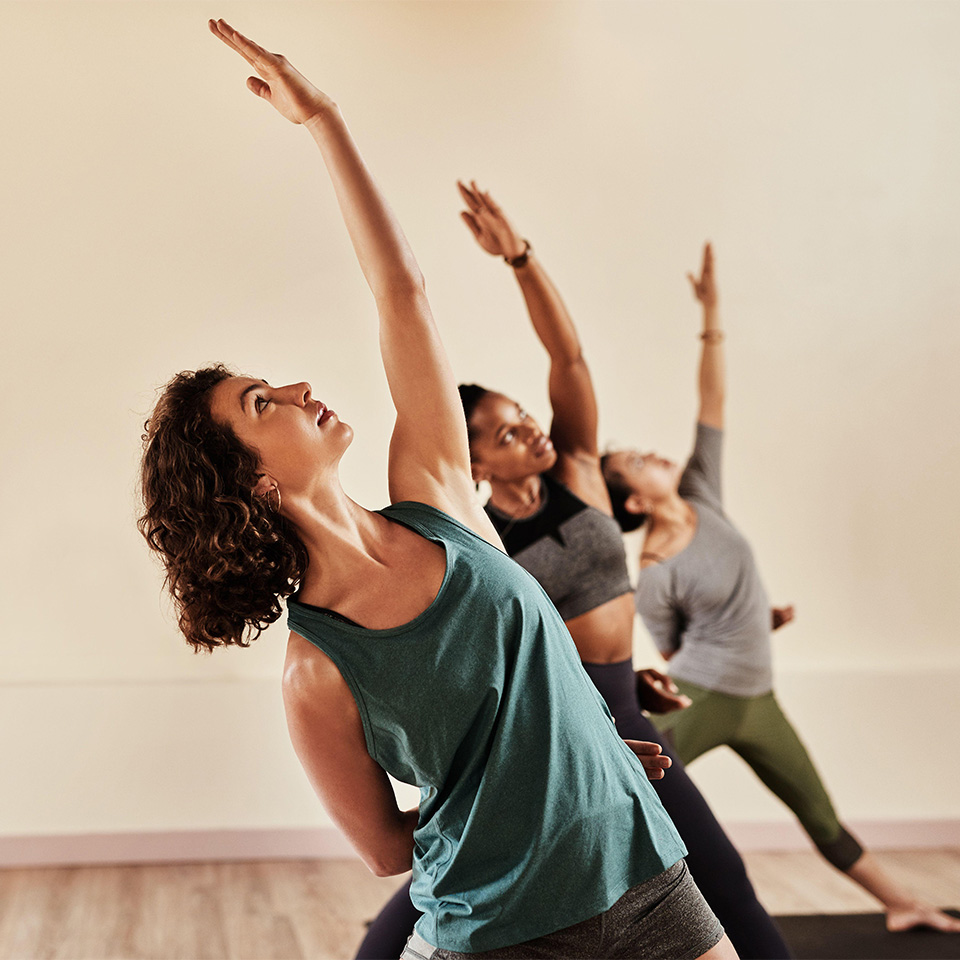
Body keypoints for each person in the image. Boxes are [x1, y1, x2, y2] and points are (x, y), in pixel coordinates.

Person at [139, 21, 735, 960]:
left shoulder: (438, 495)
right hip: (501, 938)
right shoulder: (315, 672)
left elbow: (403, 293)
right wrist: (525, 813)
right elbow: (386, 849)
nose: (296, 389)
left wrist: (325, 120)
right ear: (250, 480)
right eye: (263, 402)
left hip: (649, 877)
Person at [355, 186, 784, 960]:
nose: (528, 430)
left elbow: (569, 357)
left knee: (721, 880)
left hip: (629, 708)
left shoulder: (581, 470)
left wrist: (520, 258)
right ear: (473, 460)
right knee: (436, 894)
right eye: (505, 432)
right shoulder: (477, 538)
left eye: (525, 415)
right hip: (561, 727)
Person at [602, 243, 960, 934]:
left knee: (817, 810)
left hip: (758, 697)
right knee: (628, 798)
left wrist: (710, 314)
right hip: (704, 697)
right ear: (635, 503)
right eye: (637, 462)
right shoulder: (652, 574)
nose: (655, 453)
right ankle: (590, 923)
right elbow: (676, 653)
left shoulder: (703, 491)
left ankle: (904, 901)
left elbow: (713, 401)